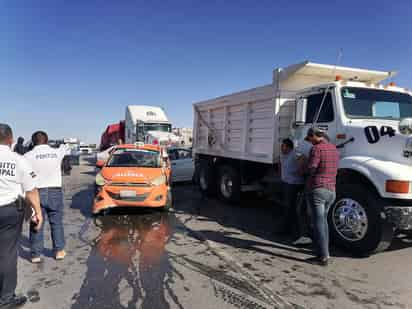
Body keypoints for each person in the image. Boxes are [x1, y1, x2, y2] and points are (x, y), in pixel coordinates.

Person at [0, 124, 43, 309]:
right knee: (7, 253)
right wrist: (38, 212)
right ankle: (6, 297)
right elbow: (31, 191)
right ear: (10, 139)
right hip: (9, 212)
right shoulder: (17, 160)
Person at [24, 131, 67, 263]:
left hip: (36, 192)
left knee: (36, 221)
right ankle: (59, 251)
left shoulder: (27, 156)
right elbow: (65, 147)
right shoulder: (57, 152)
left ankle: (36, 254)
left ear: (32, 142)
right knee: (56, 222)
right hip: (55, 191)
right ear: (47, 140)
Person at [305, 127, 339, 266]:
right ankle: (326, 253)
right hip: (331, 190)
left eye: (310, 139)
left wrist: (304, 170)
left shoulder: (316, 149)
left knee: (318, 224)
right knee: (323, 223)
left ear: (314, 136)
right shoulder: (333, 148)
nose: (310, 142)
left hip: (318, 190)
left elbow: (312, 168)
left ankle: (323, 257)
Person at [278, 138, 305, 237]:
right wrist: (281, 175)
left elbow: (303, 159)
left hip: (294, 184)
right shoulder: (282, 154)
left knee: (290, 207)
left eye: (283, 146)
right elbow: (280, 165)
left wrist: (300, 171)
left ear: (289, 147)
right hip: (286, 182)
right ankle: (287, 228)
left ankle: (290, 231)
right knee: (287, 206)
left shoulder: (294, 153)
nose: (281, 147)